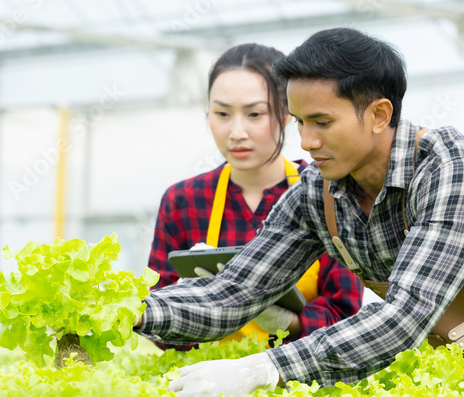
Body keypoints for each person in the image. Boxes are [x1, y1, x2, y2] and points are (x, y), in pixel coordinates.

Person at [137, 28, 464, 397]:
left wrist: (264, 370)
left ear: (380, 114)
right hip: (462, 387)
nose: (306, 141)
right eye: (300, 122)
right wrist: (124, 315)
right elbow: (234, 291)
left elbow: (406, 315)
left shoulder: (455, 173)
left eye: (323, 122)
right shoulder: (317, 194)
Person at [147, 42, 363, 349]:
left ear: (288, 114)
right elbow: (154, 324)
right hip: (204, 387)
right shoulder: (182, 202)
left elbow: (346, 320)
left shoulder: (329, 193)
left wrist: (285, 320)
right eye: (222, 113)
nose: (236, 132)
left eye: (255, 114)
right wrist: (182, 309)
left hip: (300, 384)